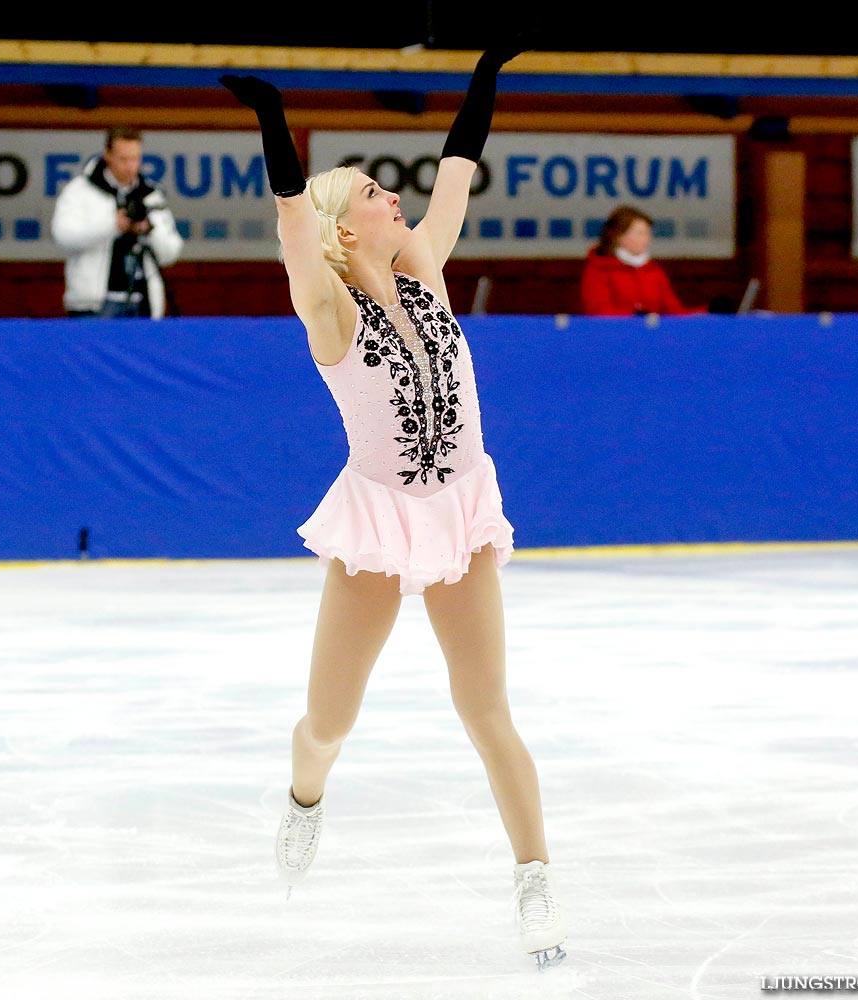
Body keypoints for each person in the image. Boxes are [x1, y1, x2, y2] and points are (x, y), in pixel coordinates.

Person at [221, 39, 568, 971]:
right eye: (374, 193)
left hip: (458, 516)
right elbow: (293, 225)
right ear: (344, 228)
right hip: (377, 525)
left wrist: (486, 78)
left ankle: (536, 885)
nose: (395, 198)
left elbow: (458, 173)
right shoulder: (326, 309)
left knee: (488, 710)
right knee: (330, 722)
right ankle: (304, 797)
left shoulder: (430, 277)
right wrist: (270, 121)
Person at [51, 127, 184, 318]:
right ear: (108, 155)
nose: (130, 166)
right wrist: (113, 225)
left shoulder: (150, 194)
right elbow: (63, 237)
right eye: (124, 159)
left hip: (142, 302)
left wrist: (149, 230)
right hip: (94, 305)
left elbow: (171, 253)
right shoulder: (80, 191)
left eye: (135, 159)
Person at [580, 205, 695, 316]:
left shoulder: (653, 271)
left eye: (647, 234)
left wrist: (707, 311)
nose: (646, 239)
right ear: (619, 236)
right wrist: (633, 316)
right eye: (640, 233)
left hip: (653, 334)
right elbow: (598, 312)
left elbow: (674, 312)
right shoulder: (599, 270)